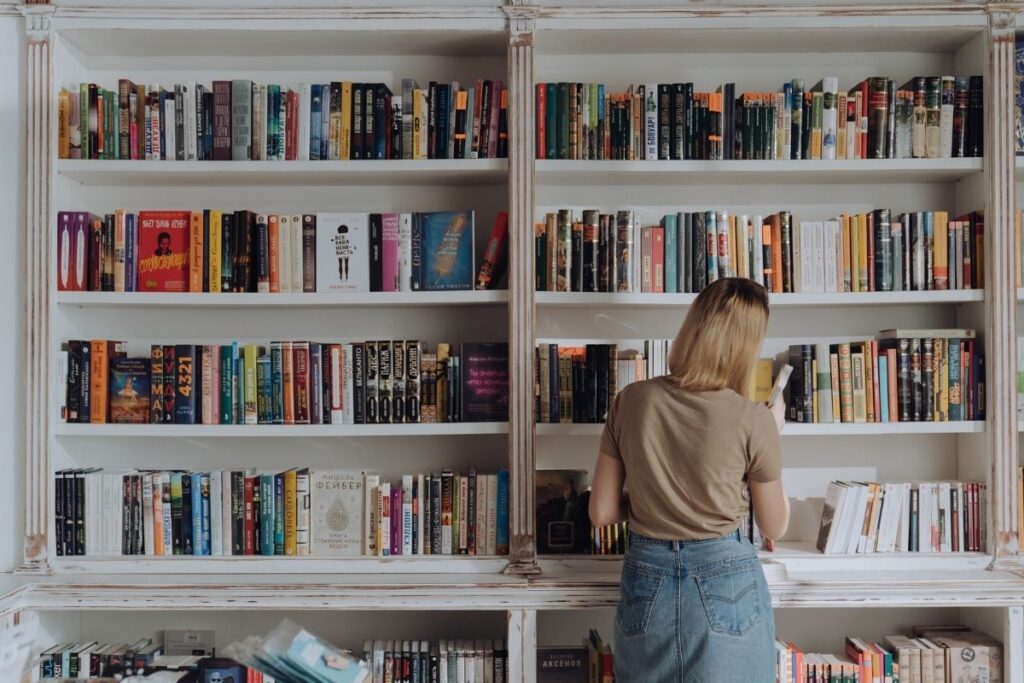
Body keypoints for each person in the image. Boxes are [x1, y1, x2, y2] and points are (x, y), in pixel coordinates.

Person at [589, 277, 788, 683]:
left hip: (646, 574)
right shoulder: (754, 418)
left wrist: (654, 498)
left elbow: (602, 512)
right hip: (726, 575)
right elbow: (775, 525)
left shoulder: (631, 399)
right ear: (746, 346)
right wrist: (772, 431)